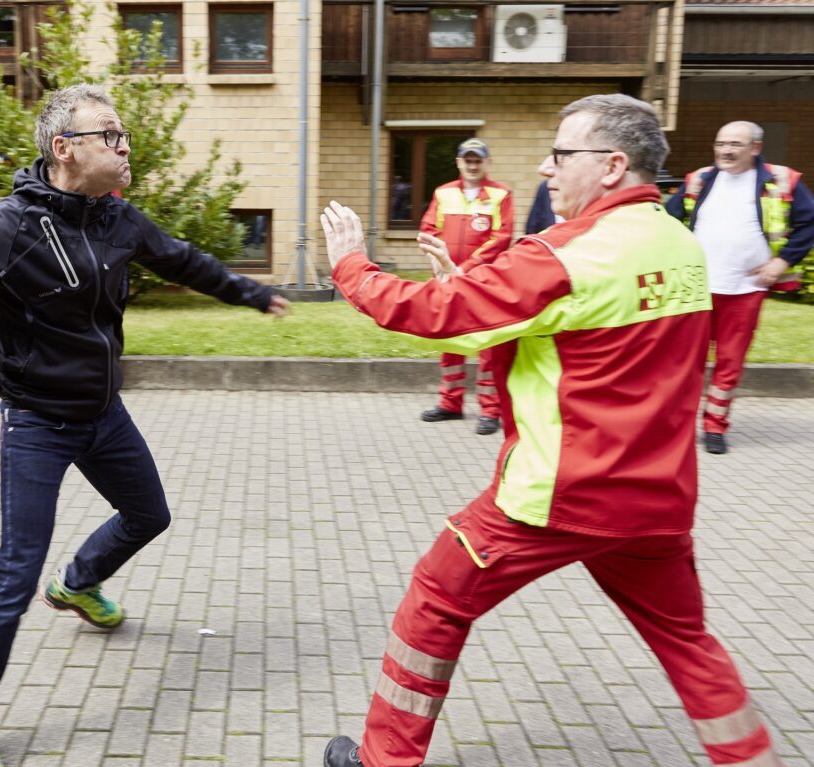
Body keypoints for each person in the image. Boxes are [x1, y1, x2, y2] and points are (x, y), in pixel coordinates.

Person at [0, 84, 288, 767]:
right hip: (36, 422)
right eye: (110, 134)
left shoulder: (117, 219)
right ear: (65, 148)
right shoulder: (3, 230)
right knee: (14, 574)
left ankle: (78, 582)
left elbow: (182, 259)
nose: (125, 145)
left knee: (148, 514)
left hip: (104, 412)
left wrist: (250, 292)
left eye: (124, 133)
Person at [320, 94, 781, 767]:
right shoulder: (680, 243)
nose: (545, 166)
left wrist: (351, 265)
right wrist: (476, 286)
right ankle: (751, 757)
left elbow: (433, 312)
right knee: (687, 640)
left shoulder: (566, 251)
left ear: (613, 165)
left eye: (563, 153)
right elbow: (582, 337)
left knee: (435, 598)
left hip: (559, 496)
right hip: (658, 501)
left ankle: (383, 758)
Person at [666, 121, 814, 455]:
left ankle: (715, 426)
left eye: (735, 144)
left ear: (755, 148)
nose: (726, 151)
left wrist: (782, 262)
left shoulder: (781, 179)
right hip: (696, 289)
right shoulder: (698, 180)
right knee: (685, 361)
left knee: (730, 361)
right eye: (720, 143)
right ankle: (678, 425)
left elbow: (809, 222)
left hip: (745, 289)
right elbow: (667, 220)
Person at [418, 138, 512, 435]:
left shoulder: (500, 194)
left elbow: (502, 237)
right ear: (459, 162)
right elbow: (428, 230)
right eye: (467, 160)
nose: (472, 165)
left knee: (486, 346)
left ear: (487, 162)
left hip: (482, 281)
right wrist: (438, 262)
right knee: (450, 341)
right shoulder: (443, 192)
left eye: (478, 160)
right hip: (448, 281)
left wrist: (464, 268)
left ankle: (490, 410)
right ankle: (450, 403)